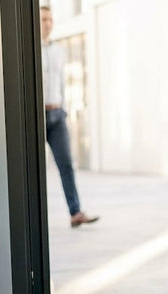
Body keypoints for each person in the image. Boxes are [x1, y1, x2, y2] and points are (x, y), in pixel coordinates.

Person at [39, 6, 98, 227]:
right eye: (43, 19)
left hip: (57, 114)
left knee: (66, 165)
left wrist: (63, 108)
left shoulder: (58, 50)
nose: (48, 23)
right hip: (36, 116)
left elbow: (61, 82)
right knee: (34, 170)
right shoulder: (29, 49)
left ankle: (75, 212)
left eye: (50, 19)